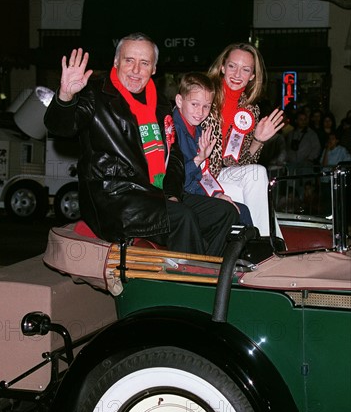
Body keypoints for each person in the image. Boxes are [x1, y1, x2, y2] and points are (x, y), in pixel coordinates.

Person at [44, 33, 239, 257]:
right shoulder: (95, 94)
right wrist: (66, 96)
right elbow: (61, 127)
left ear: (154, 69)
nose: (136, 70)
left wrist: (173, 193)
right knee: (182, 218)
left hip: (156, 194)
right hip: (116, 197)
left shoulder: (160, 104)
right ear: (116, 62)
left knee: (224, 213)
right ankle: (192, 284)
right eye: (129, 61)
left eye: (144, 63)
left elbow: (174, 156)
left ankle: (208, 274)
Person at [202, 42, 284, 236]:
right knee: (248, 197)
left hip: (220, 174)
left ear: (253, 76)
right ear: (222, 67)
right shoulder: (204, 95)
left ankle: (266, 242)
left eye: (245, 69)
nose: (237, 75)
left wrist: (258, 140)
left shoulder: (249, 109)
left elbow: (238, 163)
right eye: (232, 66)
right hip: (197, 177)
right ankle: (270, 242)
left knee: (257, 172)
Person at [172, 72, 253, 226]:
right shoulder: (172, 131)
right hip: (181, 198)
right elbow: (176, 180)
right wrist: (198, 159)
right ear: (179, 101)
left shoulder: (199, 131)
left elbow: (204, 172)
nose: (200, 112)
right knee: (232, 212)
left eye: (206, 106)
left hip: (196, 192)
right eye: (194, 104)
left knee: (241, 210)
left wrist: (217, 193)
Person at [285, 108, 321, 173]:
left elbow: (316, 148)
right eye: (301, 119)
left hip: (306, 165)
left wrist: (310, 159)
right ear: (296, 120)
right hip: (292, 165)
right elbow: (287, 147)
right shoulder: (291, 134)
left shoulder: (312, 134)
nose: (303, 122)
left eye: (305, 119)